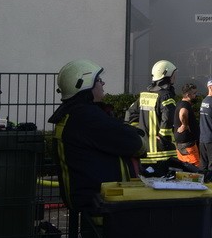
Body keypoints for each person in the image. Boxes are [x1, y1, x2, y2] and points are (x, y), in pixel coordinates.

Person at [49, 59, 145, 214]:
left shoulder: (74, 114)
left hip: (96, 202)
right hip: (103, 207)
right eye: (99, 80)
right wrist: (138, 137)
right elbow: (134, 144)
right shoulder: (87, 117)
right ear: (85, 83)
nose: (103, 84)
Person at [138, 59, 179, 163]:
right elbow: (168, 120)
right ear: (167, 75)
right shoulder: (166, 96)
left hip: (145, 150)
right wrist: (164, 140)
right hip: (162, 153)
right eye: (173, 75)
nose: (175, 77)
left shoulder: (144, 95)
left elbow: (130, 114)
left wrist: (139, 134)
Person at [174, 82, 201, 167]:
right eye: (194, 93)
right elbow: (183, 113)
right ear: (188, 95)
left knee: (184, 166)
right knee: (194, 166)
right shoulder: (185, 105)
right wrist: (184, 125)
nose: (196, 95)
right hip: (187, 142)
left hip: (181, 141)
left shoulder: (179, 103)